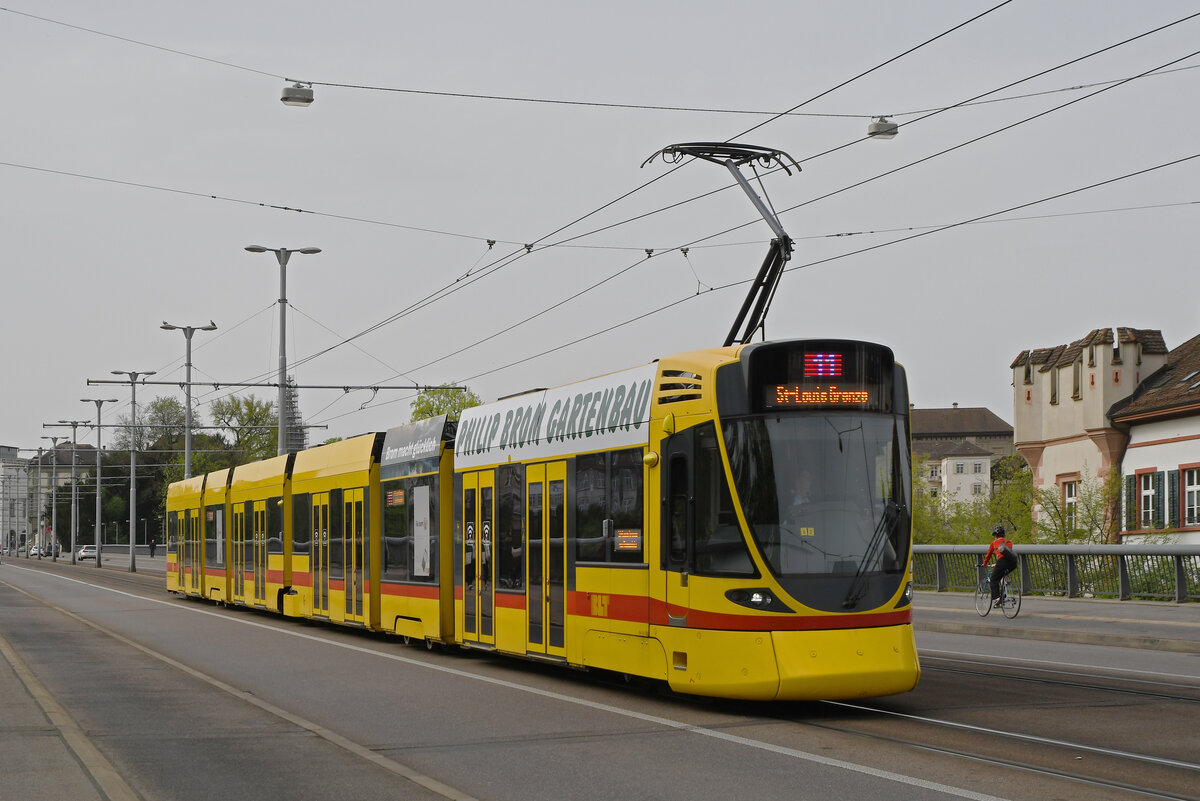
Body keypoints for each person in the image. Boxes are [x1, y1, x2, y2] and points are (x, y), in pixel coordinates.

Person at [981, 524, 1017, 608]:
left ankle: (997, 598)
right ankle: (1004, 594)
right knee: (1001, 575)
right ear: (1003, 534)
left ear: (995, 535)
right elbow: (1007, 555)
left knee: (993, 579)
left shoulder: (994, 543)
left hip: (1002, 562)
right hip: (1013, 562)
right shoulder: (1009, 542)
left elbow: (989, 555)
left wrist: (985, 564)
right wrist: (997, 564)